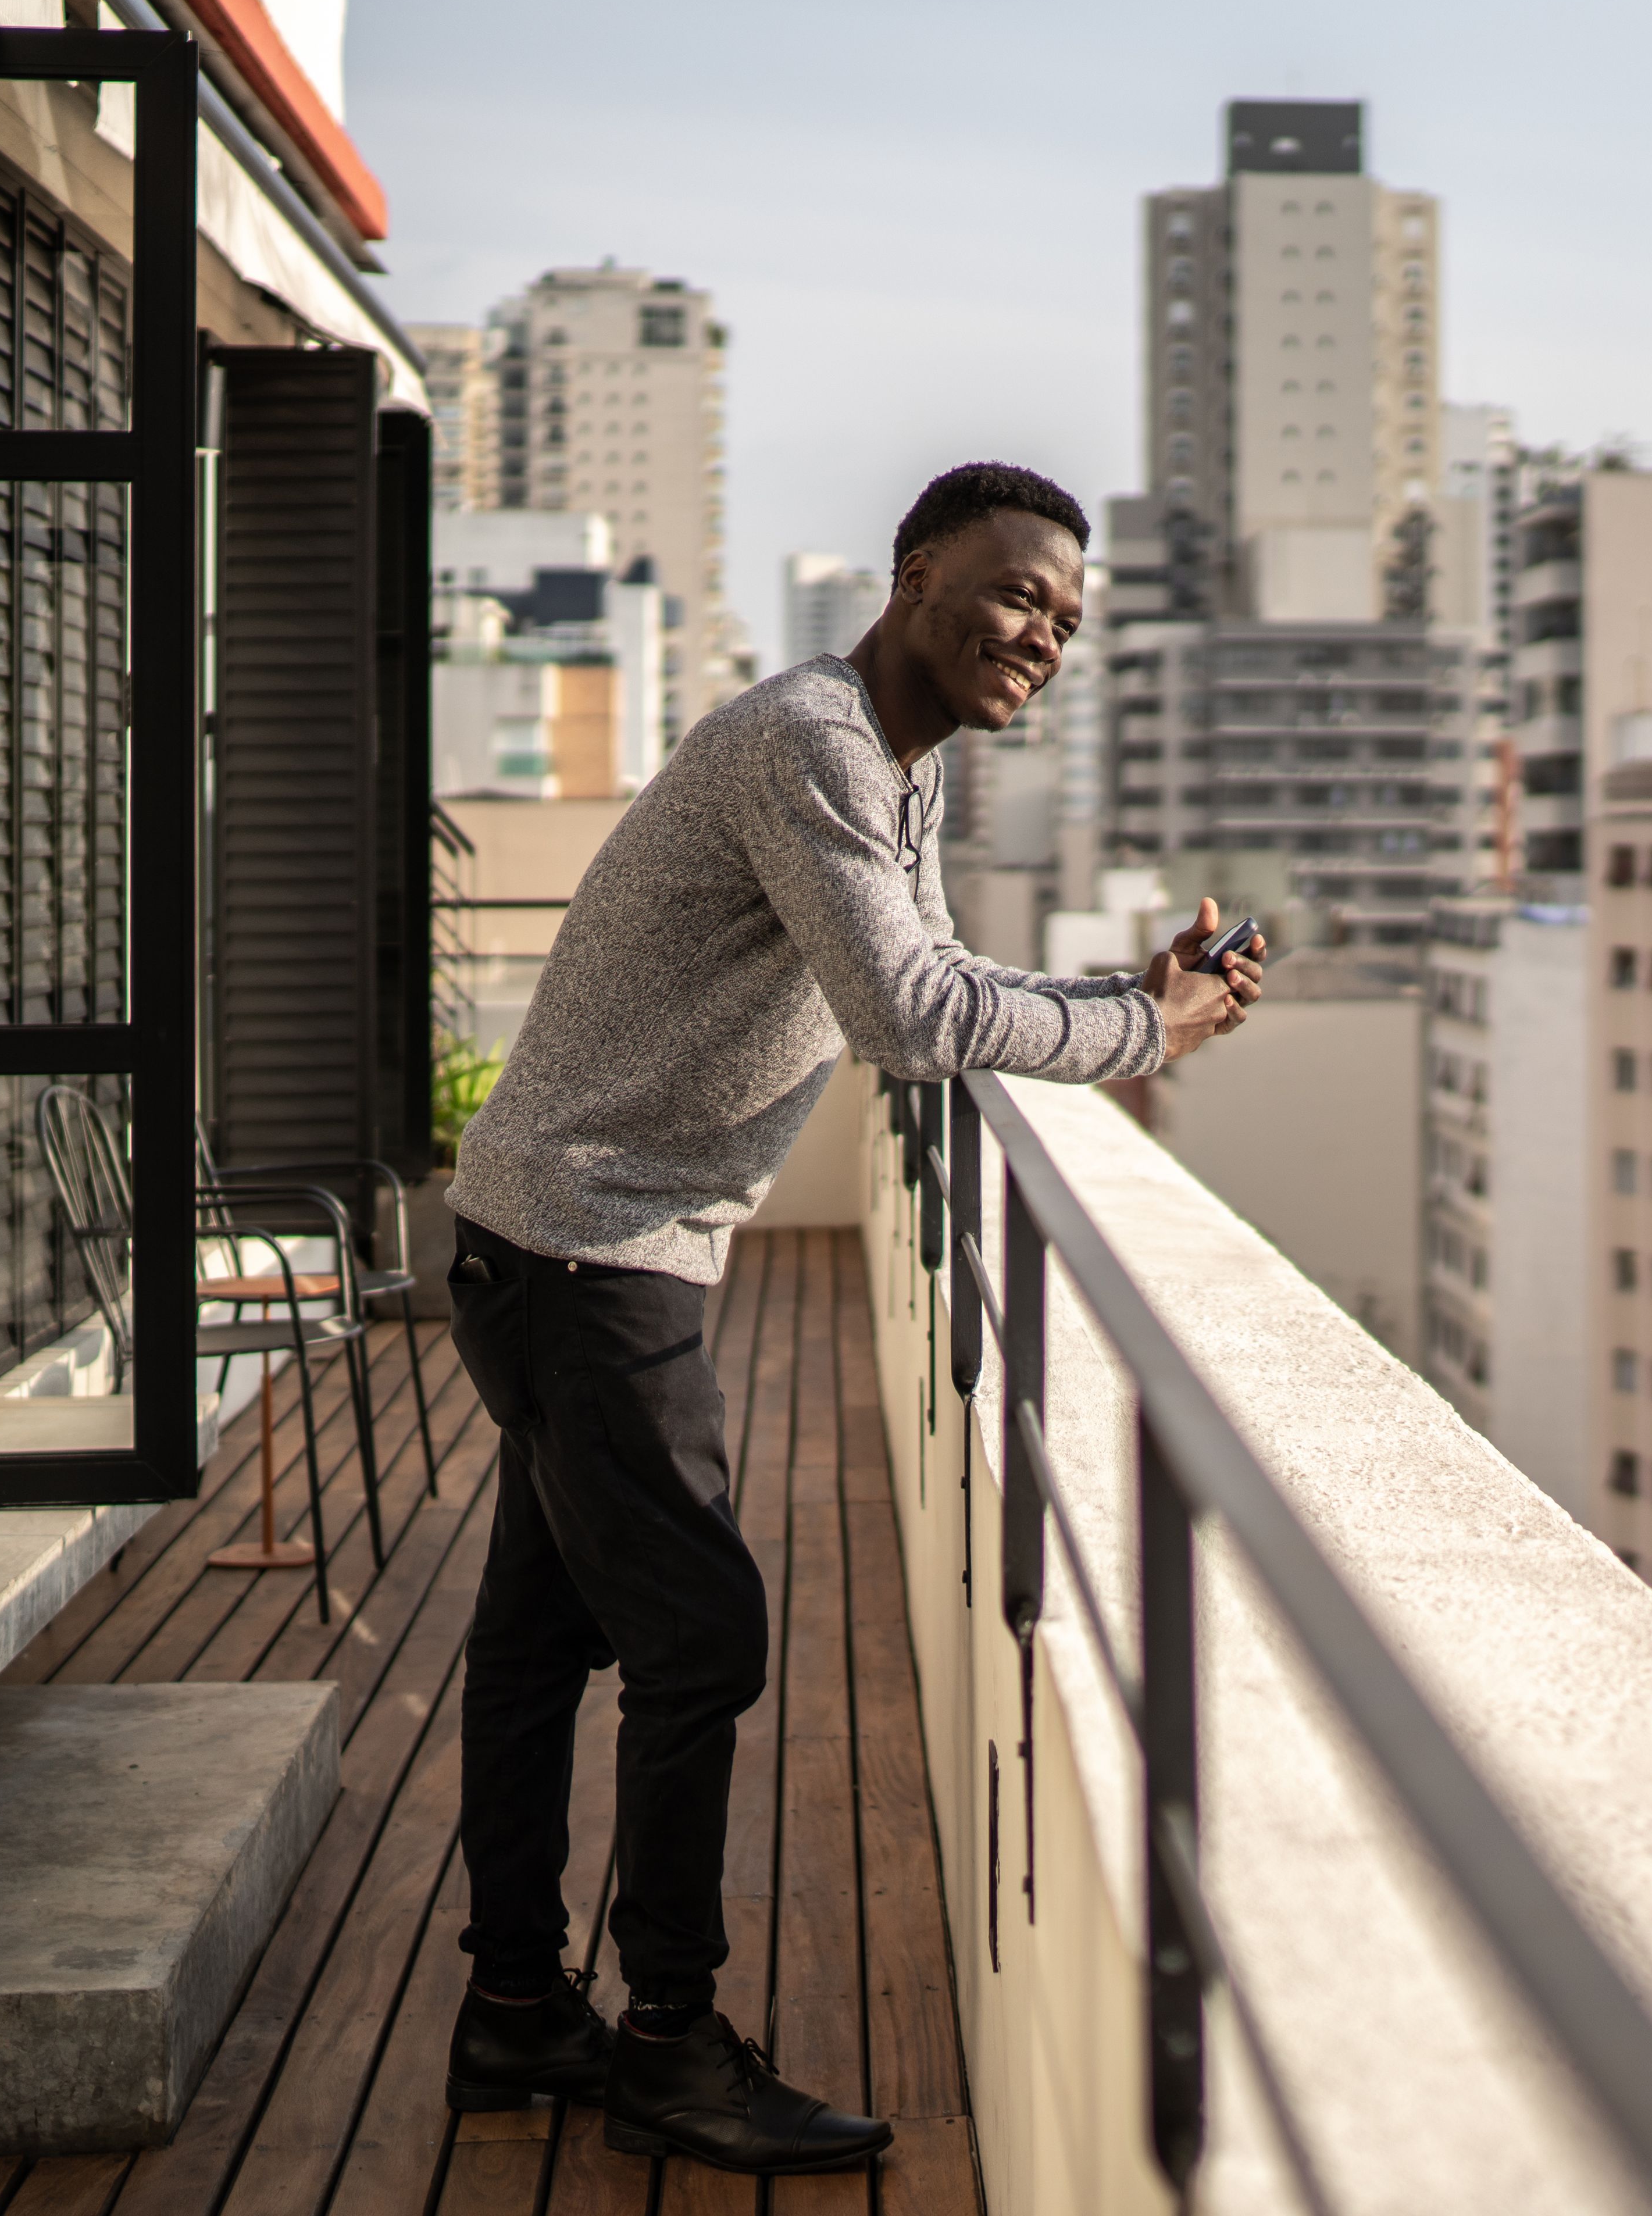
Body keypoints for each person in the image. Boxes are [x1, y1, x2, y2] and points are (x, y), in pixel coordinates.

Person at [436, 462, 1262, 2177]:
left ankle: (516, 2007)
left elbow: (934, 975)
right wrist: (1145, 1032)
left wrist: (1126, 998)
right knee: (702, 1642)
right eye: (1018, 592)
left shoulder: (901, 760)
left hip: (556, 1236)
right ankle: (667, 2045)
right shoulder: (811, 738)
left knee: (538, 1639)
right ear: (916, 575)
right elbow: (904, 1018)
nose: (1043, 636)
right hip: (591, 1248)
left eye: (1068, 620)